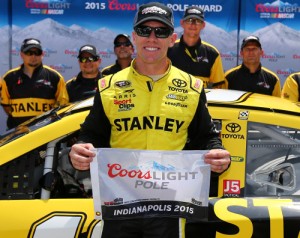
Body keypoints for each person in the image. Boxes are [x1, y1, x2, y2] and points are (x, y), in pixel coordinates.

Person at [69, 2, 231, 238]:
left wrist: (218, 156)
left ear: (172, 38)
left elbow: (206, 137)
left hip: (169, 205)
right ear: (134, 37)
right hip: (119, 202)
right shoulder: (109, 85)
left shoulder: (192, 87)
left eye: (161, 31)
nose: (152, 38)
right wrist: (80, 151)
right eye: (145, 31)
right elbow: (92, 135)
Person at [0, 38, 68, 130]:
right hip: (16, 133)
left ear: (42, 54)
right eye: (29, 53)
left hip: (45, 132)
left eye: (37, 52)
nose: (33, 56)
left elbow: (62, 106)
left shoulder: (55, 77)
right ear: (22, 55)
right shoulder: (9, 77)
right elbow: (6, 105)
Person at [167, 6, 225, 89]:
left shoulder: (213, 53)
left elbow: (219, 87)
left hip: (199, 101)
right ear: (182, 23)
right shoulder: (169, 48)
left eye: (197, 21)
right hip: (172, 100)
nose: (193, 24)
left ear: (203, 25)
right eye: (189, 20)